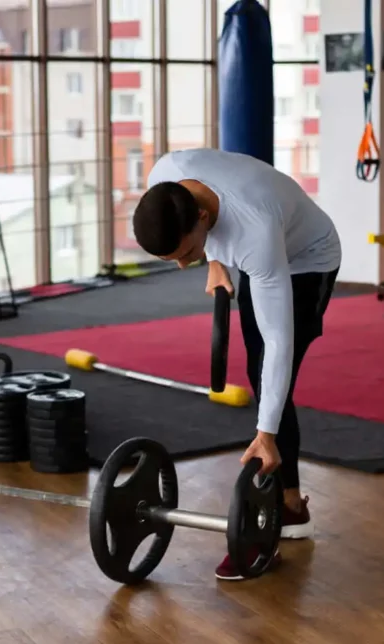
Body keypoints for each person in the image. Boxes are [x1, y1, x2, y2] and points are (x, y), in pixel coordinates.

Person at [131, 148, 342, 581]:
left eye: (186, 253)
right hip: (248, 245)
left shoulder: (254, 233)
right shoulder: (165, 176)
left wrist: (265, 436)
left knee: (271, 373)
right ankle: (286, 493)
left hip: (307, 257)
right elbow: (206, 222)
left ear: (203, 220)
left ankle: (289, 508)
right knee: (258, 374)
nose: (182, 264)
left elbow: (279, 340)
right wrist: (213, 259)